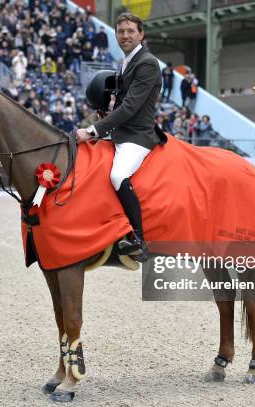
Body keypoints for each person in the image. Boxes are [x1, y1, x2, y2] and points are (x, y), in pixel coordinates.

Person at [77, 13, 166, 259]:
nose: (124, 35)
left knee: (117, 175)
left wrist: (93, 130)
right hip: (121, 132)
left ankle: (139, 238)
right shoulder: (127, 61)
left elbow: (130, 108)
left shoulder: (147, 62)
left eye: (130, 31)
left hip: (138, 135)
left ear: (141, 34)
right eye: (120, 31)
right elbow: (121, 104)